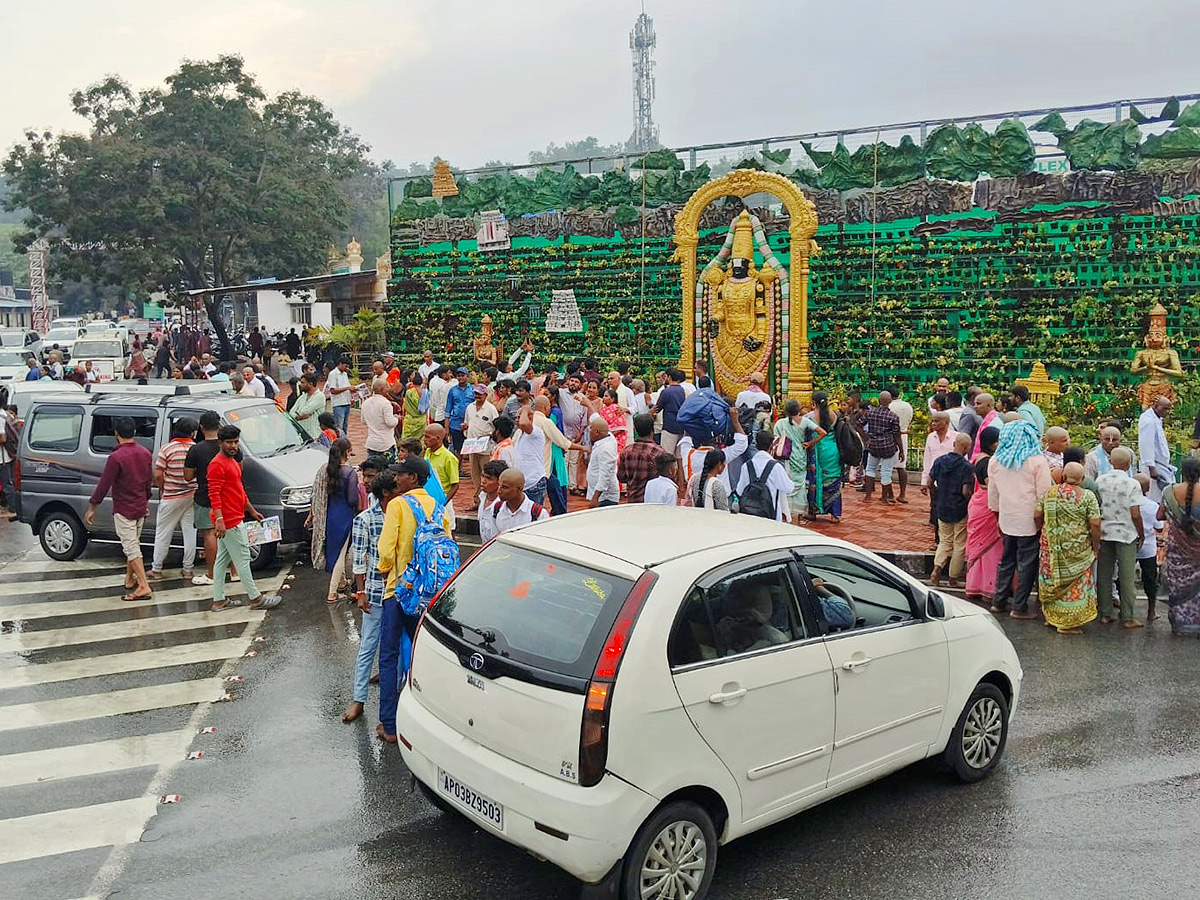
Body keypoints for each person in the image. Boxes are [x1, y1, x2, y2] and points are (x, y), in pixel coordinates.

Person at [376, 456, 451, 744]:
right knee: (423, 653)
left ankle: (390, 725)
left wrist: (385, 573)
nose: (396, 479)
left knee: (389, 656)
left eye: (401, 474)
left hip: (399, 591)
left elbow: (386, 550)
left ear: (414, 478)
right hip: (429, 592)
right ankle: (427, 716)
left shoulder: (397, 505)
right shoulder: (437, 506)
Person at [344, 470, 399, 724]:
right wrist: (361, 593)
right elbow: (358, 561)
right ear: (386, 494)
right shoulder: (365, 520)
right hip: (376, 593)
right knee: (368, 647)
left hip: (400, 592)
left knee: (397, 648)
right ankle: (358, 699)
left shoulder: (402, 514)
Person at [206, 425, 282, 611]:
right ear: (220, 443)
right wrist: (219, 520)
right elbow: (214, 494)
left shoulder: (232, 462)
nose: (233, 446)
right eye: (229, 442)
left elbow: (238, 490)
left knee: (222, 560)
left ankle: (219, 600)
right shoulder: (217, 464)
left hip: (234, 516)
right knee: (243, 558)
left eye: (236, 442)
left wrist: (251, 510)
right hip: (228, 520)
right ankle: (255, 598)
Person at [988, 419, 1053, 619]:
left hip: (1007, 519)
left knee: (1007, 560)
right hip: (1030, 521)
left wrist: (998, 516)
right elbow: (1044, 494)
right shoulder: (1037, 461)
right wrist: (1042, 522)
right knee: (1027, 564)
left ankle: (998, 602)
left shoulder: (996, 460)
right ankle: (1019, 606)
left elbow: (993, 495)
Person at [85, 416, 154, 601]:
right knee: (133, 544)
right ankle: (129, 579)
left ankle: (143, 585)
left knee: (131, 548)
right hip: (140, 505)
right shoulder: (145, 453)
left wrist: (92, 506)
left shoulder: (116, 457)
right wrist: (146, 500)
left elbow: (104, 484)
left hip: (124, 508)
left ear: (116, 434)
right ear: (134, 433)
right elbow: (148, 481)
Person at [1034, 461, 1101, 634]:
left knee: (1052, 579)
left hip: (1050, 547)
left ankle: (1052, 617)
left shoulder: (1050, 493)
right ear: (1083, 478)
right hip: (1078, 549)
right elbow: (1095, 523)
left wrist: (1042, 530)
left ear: (1063, 476)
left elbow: (1037, 514)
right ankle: (1068, 623)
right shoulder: (1087, 496)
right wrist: (1096, 545)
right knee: (1076, 583)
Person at [1095, 446, 1145, 628]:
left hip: (1105, 531)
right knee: (1126, 576)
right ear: (1129, 463)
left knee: (1104, 574)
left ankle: (1105, 613)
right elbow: (1135, 514)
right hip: (1126, 533)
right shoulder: (1133, 484)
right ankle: (1128, 616)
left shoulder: (1099, 481)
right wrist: (1141, 533)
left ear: (1110, 461)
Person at [306, 438, 360, 604]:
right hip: (344, 515)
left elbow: (316, 495)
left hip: (329, 515)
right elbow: (352, 499)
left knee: (334, 551)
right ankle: (332, 593)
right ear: (346, 452)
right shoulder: (350, 473)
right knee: (340, 555)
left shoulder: (326, 470)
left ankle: (342, 582)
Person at [150, 416, 198, 581]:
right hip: (192, 495)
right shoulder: (195, 448)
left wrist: (163, 487)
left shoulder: (167, 449)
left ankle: (156, 569)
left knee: (163, 532)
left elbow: (157, 473)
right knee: (190, 533)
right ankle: (188, 570)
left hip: (171, 496)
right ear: (192, 433)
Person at [1158, 457, 1200, 637]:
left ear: (1181, 473)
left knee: (1178, 586)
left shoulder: (1169, 491)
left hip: (1177, 549)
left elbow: (1160, 516)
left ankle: (1180, 627)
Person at [929, 432, 975, 588]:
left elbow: (930, 482)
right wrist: (970, 502)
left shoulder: (940, 461)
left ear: (954, 443)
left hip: (942, 505)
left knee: (944, 541)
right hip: (959, 507)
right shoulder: (966, 467)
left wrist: (936, 496)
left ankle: (937, 569)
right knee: (959, 544)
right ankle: (953, 578)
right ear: (967, 448)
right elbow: (965, 491)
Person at [774, 398, 824, 524]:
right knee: (801, 486)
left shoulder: (780, 423)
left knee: (786, 484)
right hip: (800, 457)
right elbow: (823, 433)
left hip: (786, 458)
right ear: (799, 410)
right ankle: (800, 516)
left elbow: (775, 439)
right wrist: (810, 443)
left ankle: (785, 515)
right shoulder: (805, 422)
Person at [734, 428, 795, 522]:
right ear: (771, 446)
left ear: (757, 445)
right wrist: (789, 479)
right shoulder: (776, 467)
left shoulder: (746, 466)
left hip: (749, 516)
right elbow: (789, 488)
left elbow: (739, 491)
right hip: (771, 516)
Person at [480, 468, 550, 543]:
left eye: (505, 487)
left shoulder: (538, 514)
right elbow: (495, 539)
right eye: (499, 486)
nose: (499, 491)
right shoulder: (496, 508)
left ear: (519, 489)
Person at [921, 411, 959, 540]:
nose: (933, 423)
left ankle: (950, 539)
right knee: (936, 510)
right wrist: (925, 481)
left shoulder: (956, 438)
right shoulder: (931, 437)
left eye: (937, 421)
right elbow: (927, 459)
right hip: (935, 481)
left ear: (947, 423)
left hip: (952, 482)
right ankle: (938, 540)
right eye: (933, 421)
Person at [618, 413, 670, 503]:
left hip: (633, 500)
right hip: (653, 501)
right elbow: (666, 479)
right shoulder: (659, 452)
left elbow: (621, 477)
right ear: (652, 430)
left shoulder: (626, 451)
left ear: (635, 429)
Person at [1134, 473, 1164, 623]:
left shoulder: (1128, 504)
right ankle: (1151, 610)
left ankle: (1126, 610)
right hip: (1148, 548)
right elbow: (1159, 527)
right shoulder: (1152, 506)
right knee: (1150, 580)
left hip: (1130, 545)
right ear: (1148, 488)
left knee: (1123, 577)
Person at [463, 384, 499, 509]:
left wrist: (487, 436)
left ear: (485, 394)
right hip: (472, 446)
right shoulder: (470, 408)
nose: (477, 396)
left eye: (479, 394)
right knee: (475, 475)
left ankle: (487, 501)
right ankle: (477, 501)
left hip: (486, 447)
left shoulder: (491, 409)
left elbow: (496, 428)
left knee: (486, 475)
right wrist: (465, 428)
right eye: (475, 393)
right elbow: (467, 423)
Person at [863, 390, 902, 503]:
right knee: (886, 472)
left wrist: (867, 438)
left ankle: (868, 496)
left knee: (870, 469)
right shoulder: (893, 416)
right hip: (888, 446)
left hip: (873, 445)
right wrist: (901, 450)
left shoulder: (870, 413)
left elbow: (859, 424)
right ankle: (884, 497)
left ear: (879, 400)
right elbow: (897, 435)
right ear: (890, 401)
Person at [1139, 395, 1175, 502]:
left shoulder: (1157, 419)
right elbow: (1146, 445)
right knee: (1155, 498)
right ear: (1155, 406)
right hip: (1153, 467)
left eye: (1169, 409)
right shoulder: (1148, 420)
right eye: (1164, 408)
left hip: (1161, 465)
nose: (1167, 412)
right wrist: (1152, 468)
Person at [422, 423, 460, 523]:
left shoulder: (449, 458)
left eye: (427, 437)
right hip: (429, 498)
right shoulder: (427, 452)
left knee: (448, 530)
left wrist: (443, 502)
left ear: (438, 439)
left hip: (443, 498)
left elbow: (455, 484)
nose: (424, 440)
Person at [512, 403, 548, 505]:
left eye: (519, 417)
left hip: (534, 483)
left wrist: (525, 409)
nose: (517, 420)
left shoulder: (536, 432)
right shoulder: (520, 434)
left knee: (534, 518)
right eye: (516, 417)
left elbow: (524, 424)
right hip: (524, 484)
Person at [361, 377, 400, 460]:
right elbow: (390, 423)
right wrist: (397, 418)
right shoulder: (385, 404)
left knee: (373, 468)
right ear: (382, 389)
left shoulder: (366, 403)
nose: (389, 388)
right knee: (388, 469)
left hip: (372, 442)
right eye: (387, 387)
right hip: (385, 443)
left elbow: (363, 421)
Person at [586, 417, 620, 508]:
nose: (589, 432)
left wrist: (595, 498)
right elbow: (596, 417)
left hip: (604, 498)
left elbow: (605, 476)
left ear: (597, 432)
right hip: (600, 496)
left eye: (591, 429)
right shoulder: (608, 436)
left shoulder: (606, 449)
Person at [653, 369, 687, 454]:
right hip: (681, 425)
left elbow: (658, 408)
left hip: (669, 425)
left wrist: (651, 410)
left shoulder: (666, 392)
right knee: (679, 455)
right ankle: (679, 468)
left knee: (666, 453)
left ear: (669, 377)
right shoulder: (683, 390)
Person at [445, 368, 474, 455]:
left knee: (470, 447)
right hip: (455, 423)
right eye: (458, 376)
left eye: (462, 375)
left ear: (467, 376)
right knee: (458, 448)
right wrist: (446, 427)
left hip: (470, 423)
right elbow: (448, 409)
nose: (460, 378)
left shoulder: (472, 390)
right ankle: (459, 467)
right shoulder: (452, 390)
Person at [289, 372, 326, 441]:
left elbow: (306, 411)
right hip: (302, 434)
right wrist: (298, 417)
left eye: (303, 383)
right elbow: (291, 412)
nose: (300, 385)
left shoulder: (320, 396)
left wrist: (298, 414)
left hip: (314, 434)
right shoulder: (302, 397)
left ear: (311, 384)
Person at [327, 356, 353, 434]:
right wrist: (347, 388)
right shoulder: (333, 374)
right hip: (339, 404)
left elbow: (347, 387)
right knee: (339, 426)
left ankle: (344, 442)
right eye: (346, 366)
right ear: (340, 364)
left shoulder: (345, 374)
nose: (347, 368)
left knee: (345, 426)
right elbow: (333, 390)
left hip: (346, 402)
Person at [971, 392, 1001, 459]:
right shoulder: (985, 420)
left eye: (978, 404)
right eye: (974, 404)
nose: (975, 406)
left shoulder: (995, 423)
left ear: (989, 405)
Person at [600, 387, 630, 453]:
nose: (603, 398)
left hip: (615, 439)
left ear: (612, 399)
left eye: (606, 396)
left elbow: (621, 427)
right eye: (603, 396)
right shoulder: (604, 408)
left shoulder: (616, 409)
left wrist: (609, 436)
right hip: (605, 439)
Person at [401, 373, 427, 440]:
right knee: (420, 439)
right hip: (421, 419)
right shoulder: (425, 393)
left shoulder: (408, 392)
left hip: (410, 419)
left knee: (407, 439)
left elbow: (405, 405)